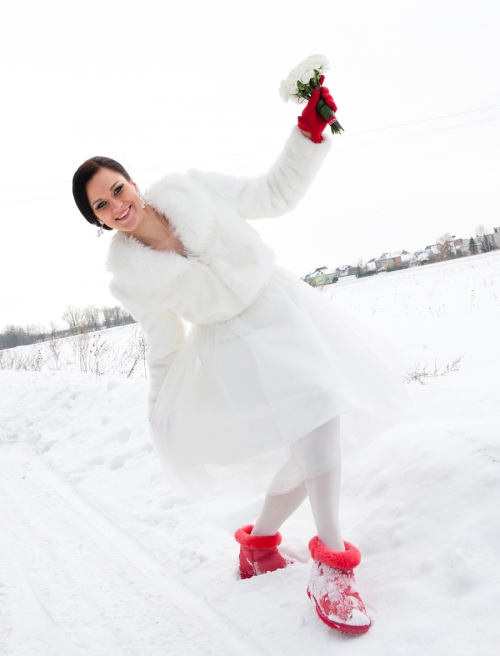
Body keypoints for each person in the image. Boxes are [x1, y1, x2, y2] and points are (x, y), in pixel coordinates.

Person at [72, 86, 411, 635]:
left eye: (116, 189)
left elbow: (273, 194)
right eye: (102, 207)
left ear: (132, 180)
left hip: (283, 308)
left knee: (312, 437)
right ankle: (331, 566)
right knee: (319, 413)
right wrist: (160, 405)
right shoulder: (128, 278)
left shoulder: (195, 189)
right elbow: (164, 343)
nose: (117, 206)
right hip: (233, 347)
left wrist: (308, 134)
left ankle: (257, 546)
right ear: (100, 222)